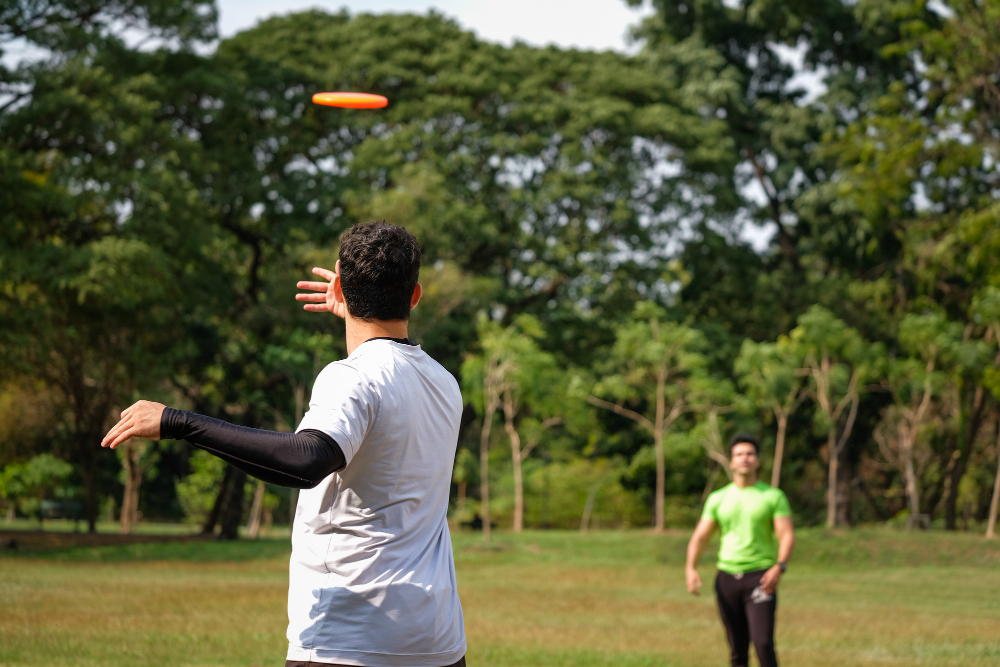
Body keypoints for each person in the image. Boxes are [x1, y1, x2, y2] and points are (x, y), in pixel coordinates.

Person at [102, 221, 467, 667]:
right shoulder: (443, 382)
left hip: (351, 639)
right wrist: (356, 310)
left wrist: (178, 421)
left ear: (339, 283)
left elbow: (308, 458)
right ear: (415, 295)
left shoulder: (351, 376)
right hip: (436, 641)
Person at [685, 434, 795, 667]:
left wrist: (780, 566)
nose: (745, 458)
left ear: (757, 460)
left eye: (750, 454)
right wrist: (691, 567)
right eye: (739, 454)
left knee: (763, 643)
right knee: (737, 649)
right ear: (731, 461)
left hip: (761, 578)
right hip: (726, 579)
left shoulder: (773, 496)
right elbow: (701, 536)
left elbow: (786, 534)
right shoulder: (718, 498)